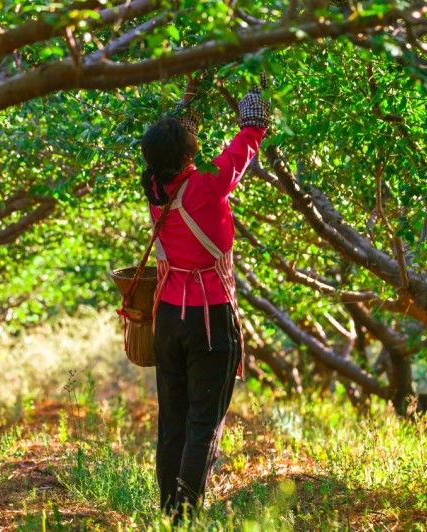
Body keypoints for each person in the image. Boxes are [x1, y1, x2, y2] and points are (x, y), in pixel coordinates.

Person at [139, 74, 269, 516]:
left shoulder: (154, 188)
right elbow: (248, 139)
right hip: (210, 320)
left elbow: (173, 141)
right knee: (202, 425)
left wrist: (190, 97)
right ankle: (185, 517)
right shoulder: (207, 185)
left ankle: (168, 514)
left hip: (168, 321)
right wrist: (258, 94)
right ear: (187, 155)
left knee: (172, 423)